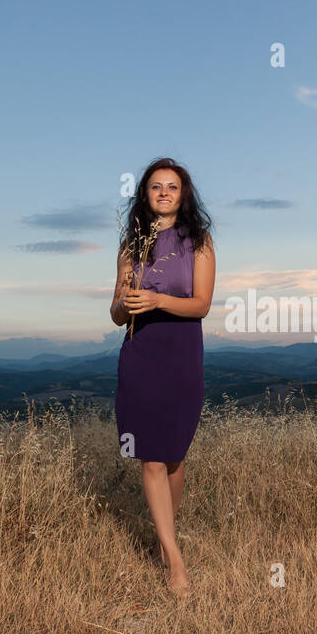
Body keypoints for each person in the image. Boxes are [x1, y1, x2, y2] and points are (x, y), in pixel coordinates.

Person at [110, 158, 215, 598]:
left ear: (183, 194)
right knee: (151, 458)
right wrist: (126, 303)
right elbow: (116, 314)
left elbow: (202, 305)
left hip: (181, 357)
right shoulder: (131, 245)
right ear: (145, 194)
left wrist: (155, 299)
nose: (165, 193)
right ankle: (174, 561)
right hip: (141, 356)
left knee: (174, 457)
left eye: (172, 187)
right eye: (156, 187)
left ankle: (163, 539)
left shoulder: (200, 241)